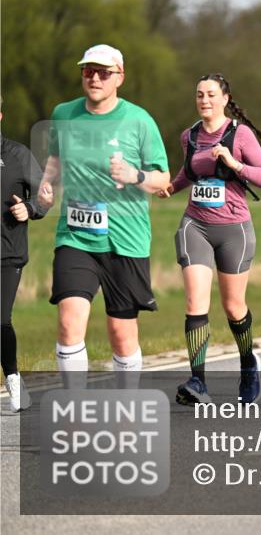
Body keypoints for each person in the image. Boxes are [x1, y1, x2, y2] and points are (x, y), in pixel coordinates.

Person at [36, 44, 170, 386]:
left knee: (121, 334)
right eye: (88, 71)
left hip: (125, 239)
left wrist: (135, 175)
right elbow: (55, 159)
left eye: (103, 73)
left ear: (119, 77)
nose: (94, 78)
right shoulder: (64, 114)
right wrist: (45, 184)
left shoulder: (139, 120)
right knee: (69, 322)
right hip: (75, 236)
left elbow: (163, 179)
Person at [158, 74, 261, 405]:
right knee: (195, 303)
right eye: (199, 95)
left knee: (234, 307)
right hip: (195, 224)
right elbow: (189, 172)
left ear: (225, 98)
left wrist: (234, 163)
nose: (204, 100)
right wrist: (171, 187)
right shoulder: (190, 135)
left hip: (234, 229)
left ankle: (248, 364)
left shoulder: (240, 134)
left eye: (211, 94)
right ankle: (198, 381)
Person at [2, 107, 48, 410]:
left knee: (0, 319)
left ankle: (13, 380)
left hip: (7, 253)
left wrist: (29, 209)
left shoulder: (17, 154)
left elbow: (45, 196)